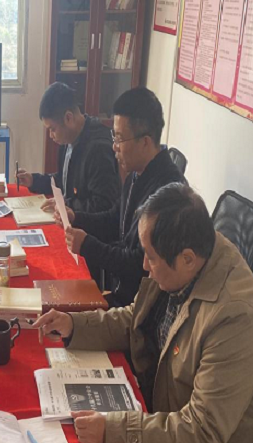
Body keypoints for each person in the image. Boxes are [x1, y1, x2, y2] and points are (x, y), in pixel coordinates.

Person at [36, 183, 253, 443]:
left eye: (151, 257)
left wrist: (113, 434)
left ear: (187, 259)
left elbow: (201, 432)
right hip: (167, 427)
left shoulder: (235, 318)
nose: (144, 265)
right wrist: (74, 325)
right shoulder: (188, 260)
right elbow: (136, 319)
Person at [61, 87, 185, 307]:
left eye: (119, 139)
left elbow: (137, 265)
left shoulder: (168, 194)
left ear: (145, 141)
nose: (114, 147)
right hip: (121, 291)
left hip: (136, 306)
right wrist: (76, 218)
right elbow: (114, 220)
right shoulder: (136, 174)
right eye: (114, 137)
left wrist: (88, 245)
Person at [16, 82, 120, 214]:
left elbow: (103, 205)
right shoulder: (69, 138)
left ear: (68, 118)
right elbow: (63, 181)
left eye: (52, 129)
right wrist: (33, 180)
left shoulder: (98, 149)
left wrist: (64, 204)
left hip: (87, 225)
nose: (50, 135)